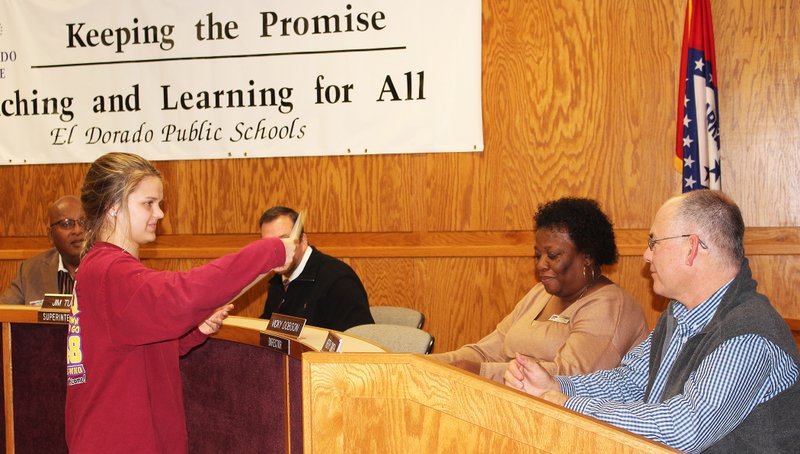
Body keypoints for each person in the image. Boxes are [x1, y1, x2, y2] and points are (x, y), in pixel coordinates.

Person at [505, 190, 800, 453]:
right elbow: (630, 381)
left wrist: (567, 405)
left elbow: (683, 429)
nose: (646, 255)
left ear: (691, 248)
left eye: (654, 242)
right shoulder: (680, 312)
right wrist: (557, 385)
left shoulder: (748, 335)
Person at [65, 152, 296, 453]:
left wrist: (194, 331)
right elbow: (183, 293)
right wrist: (269, 252)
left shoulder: (102, 267)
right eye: (148, 203)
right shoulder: (111, 271)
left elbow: (133, 348)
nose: (160, 213)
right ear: (112, 207)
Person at [430, 197, 648, 383]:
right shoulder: (539, 294)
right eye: (538, 255)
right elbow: (486, 351)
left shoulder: (609, 306)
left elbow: (570, 377)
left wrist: (482, 372)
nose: (541, 264)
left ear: (588, 257)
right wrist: (428, 362)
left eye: (552, 256)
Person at [258, 206, 374, 331]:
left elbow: (360, 338)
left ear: (303, 241)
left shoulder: (338, 280)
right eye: (268, 245)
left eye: (284, 241)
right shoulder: (278, 280)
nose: (276, 251)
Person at [0, 195, 85, 305]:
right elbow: (5, 312)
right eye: (67, 224)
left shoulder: (108, 266)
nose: (77, 230)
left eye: (83, 222)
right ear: (50, 235)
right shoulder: (30, 271)